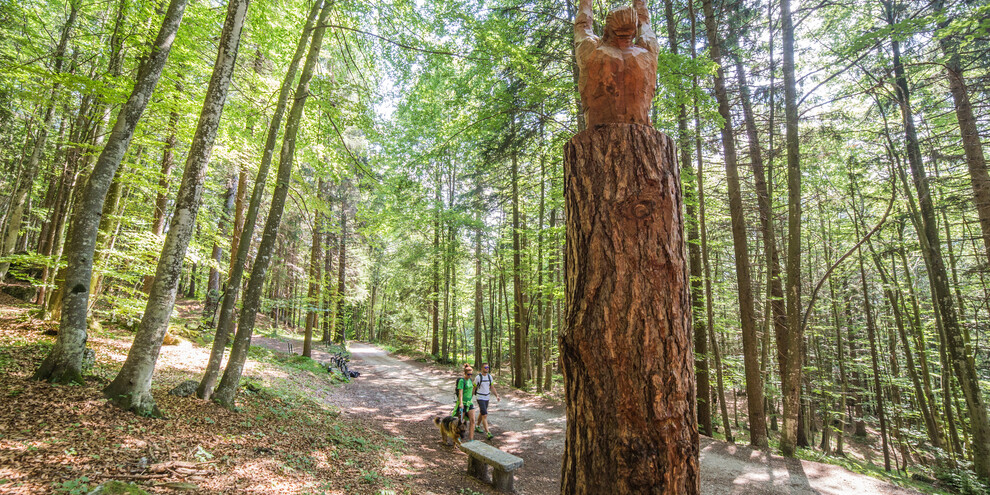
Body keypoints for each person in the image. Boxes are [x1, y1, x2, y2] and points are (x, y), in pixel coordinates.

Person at [574, 0, 659, 128]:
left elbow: (582, 25)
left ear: (606, 30)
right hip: (641, 133)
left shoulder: (591, 52)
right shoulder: (648, 52)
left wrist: (586, 2)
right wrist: (640, 4)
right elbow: (645, 21)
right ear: (635, 30)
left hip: (598, 135)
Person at [473, 362, 500, 440]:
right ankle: (488, 432)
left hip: (487, 397)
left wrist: (497, 395)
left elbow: (492, 387)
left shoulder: (489, 377)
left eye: (488, 367)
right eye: (485, 367)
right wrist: (470, 397)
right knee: (485, 414)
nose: (487, 368)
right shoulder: (478, 377)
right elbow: (474, 388)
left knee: (482, 412)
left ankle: (477, 426)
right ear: (482, 368)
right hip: (480, 397)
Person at [454, 364, 477, 441]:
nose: (470, 376)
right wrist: (460, 403)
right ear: (465, 373)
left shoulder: (470, 380)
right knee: (460, 421)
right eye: (468, 374)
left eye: (471, 374)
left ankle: (471, 438)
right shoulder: (461, 381)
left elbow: (471, 391)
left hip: (469, 403)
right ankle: (458, 437)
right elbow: (460, 393)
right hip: (463, 403)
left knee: (473, 420)